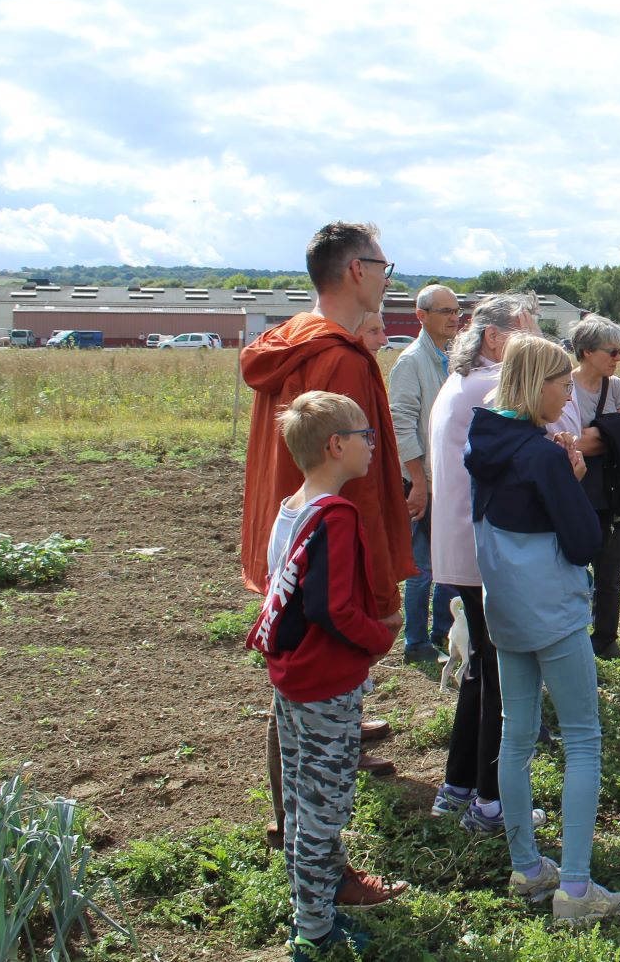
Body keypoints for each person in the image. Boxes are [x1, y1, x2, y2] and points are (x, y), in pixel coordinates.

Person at [240, 221, 415, 872]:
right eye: (382, 263)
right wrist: (378, 590)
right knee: (320, 708)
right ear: (355, 272)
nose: (387, 276)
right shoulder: (340, 356)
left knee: (292, 697)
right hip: (333, 558)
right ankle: (320, 868)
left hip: (294, 547)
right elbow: (361, 487)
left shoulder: (289, 341)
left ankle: (289, 830)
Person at [465, 332, 620, 926]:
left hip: (504, 609)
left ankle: (528, 867)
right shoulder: (542, 454)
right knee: (583, 739)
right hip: (554, 610)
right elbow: (586, 538)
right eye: (562, 384)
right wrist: (576, 473)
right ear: (537, 383)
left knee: (517, 736)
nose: (566, 396)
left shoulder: (483, 439)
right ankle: (578, 889)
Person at [244, 391, 407, 960]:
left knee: (299, 793)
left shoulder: (293, 508)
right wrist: (380, 634)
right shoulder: (337, 517)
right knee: (324, 803)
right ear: (335, 446)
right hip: (326, 683)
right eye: (366, 435)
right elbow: (331, 609)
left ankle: (312, 899)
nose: (373, 444)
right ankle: (313, 931)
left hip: (290, 676)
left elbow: (280, 593)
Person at [425, 294, 541, 834]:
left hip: (459, 551)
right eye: (528, 330)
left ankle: (459, 785)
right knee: (501, 679)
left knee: (478, 671)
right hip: (482, 554)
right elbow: (550, 415)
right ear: (496, 338)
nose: (538, 340)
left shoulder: (460, 381)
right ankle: (492, 802)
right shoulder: (487, 388)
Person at [553, 315, 620, 660]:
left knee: (611, 569)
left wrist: (593, 436)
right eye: (613, 351)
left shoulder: (616, 386)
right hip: (576, 488)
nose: (619, 357)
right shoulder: (565, 387)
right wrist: (610, 431)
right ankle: (571, 640)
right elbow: (568, 444)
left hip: (612, 489)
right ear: (587, 351)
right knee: (573, 567)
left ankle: (605, 639)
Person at [388, 284, 462, 666]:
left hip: (446, 481)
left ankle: (442, 633)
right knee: (422, 567)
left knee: (446, 561)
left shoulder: (449, 358)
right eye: (445, 311)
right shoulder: (412, 362)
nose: (454, 318)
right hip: (425, 481)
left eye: (456, 311)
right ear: (421, 316)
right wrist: (418, 480)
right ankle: (416, 641)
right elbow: (400, 424)